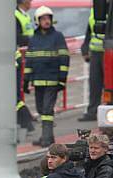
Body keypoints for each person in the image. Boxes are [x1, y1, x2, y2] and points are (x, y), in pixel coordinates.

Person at [24, 6, 69, 147]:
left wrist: (62, 79)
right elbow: (29, 60)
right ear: (38, 21)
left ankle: (46, 138)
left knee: (47, 110)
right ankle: (48, 136)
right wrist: (25, 81)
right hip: (38, 81)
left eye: (48, 18)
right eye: (43, 18)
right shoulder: (33, 39)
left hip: (52, 80)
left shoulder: (58, 37)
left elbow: (64, 58)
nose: (46, 21)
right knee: (41, 109)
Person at [79, 6, 106, 122]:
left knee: (109, 85)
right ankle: (92, 112)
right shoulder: (94, 10)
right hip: (95, 53)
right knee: (94, 83)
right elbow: (89, 31)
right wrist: (85, 48)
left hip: (109, 52)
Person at [15, 0, 35, 133]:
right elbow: (16, 37)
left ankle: (25, 122)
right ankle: (26, 121)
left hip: (19, 58)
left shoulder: (25, 16)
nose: (31, 3)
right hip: (17, 58)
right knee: (15, 96)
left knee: (16, 95)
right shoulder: (15, 16)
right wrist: (33, 40)